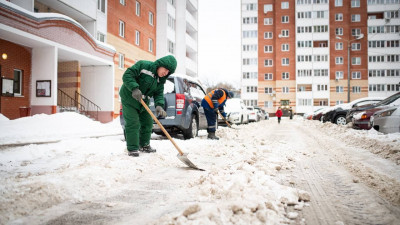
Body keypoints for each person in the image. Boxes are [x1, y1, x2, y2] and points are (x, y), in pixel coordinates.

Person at [119, 55, 177, 157]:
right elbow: (127, 75)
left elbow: (159, 93)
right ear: (161, 64)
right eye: (166, 69)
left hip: (143, 100)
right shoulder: (144, 65)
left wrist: (159, 105)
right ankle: (132, 148)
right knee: (133, 122)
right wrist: (134, 88)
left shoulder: (160, 80)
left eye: (169, 72)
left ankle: (144, 145)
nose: (166, 73)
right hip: (129, 97)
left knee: (148, 122)